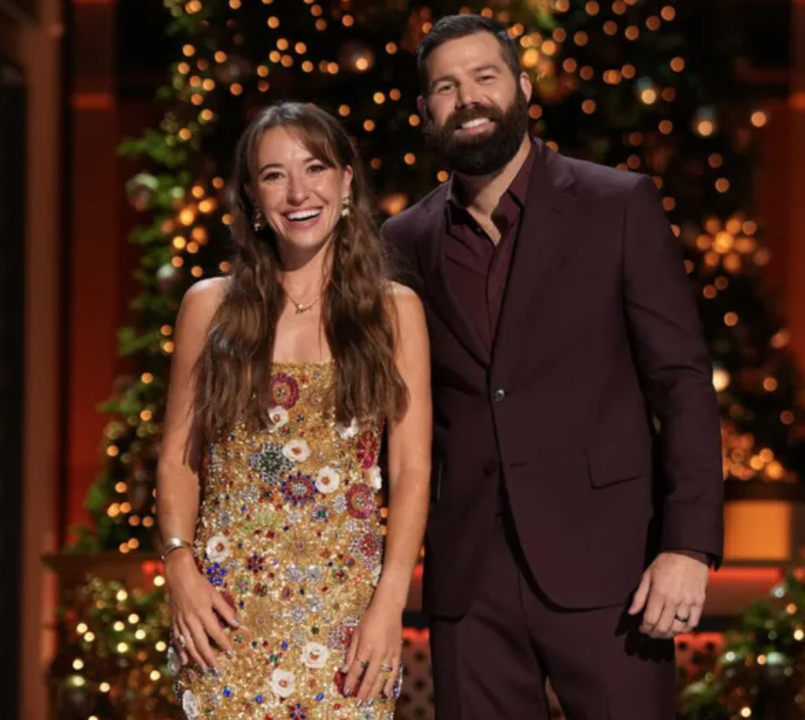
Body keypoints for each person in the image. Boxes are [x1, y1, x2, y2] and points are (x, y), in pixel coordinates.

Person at [380, 14, 724, 719]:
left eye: (485, 77)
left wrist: (688, 547)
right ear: (425, 110)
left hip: (611, 570)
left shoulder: (617, 204)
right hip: (470, 581)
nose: (468, 98)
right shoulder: (404, 240)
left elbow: (681, 384)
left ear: (523, 88)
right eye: (446, 87)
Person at [156, 101, 431, 720]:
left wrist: (390, 604)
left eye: (315, 168)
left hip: (348, 622)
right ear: (253, 195)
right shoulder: (210, 307)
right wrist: (179, 568)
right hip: (225, 616)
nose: (298, 192)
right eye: (274, 175)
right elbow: (178, 457)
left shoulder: (394, 312)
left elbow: (412, 470)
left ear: (346, 181)